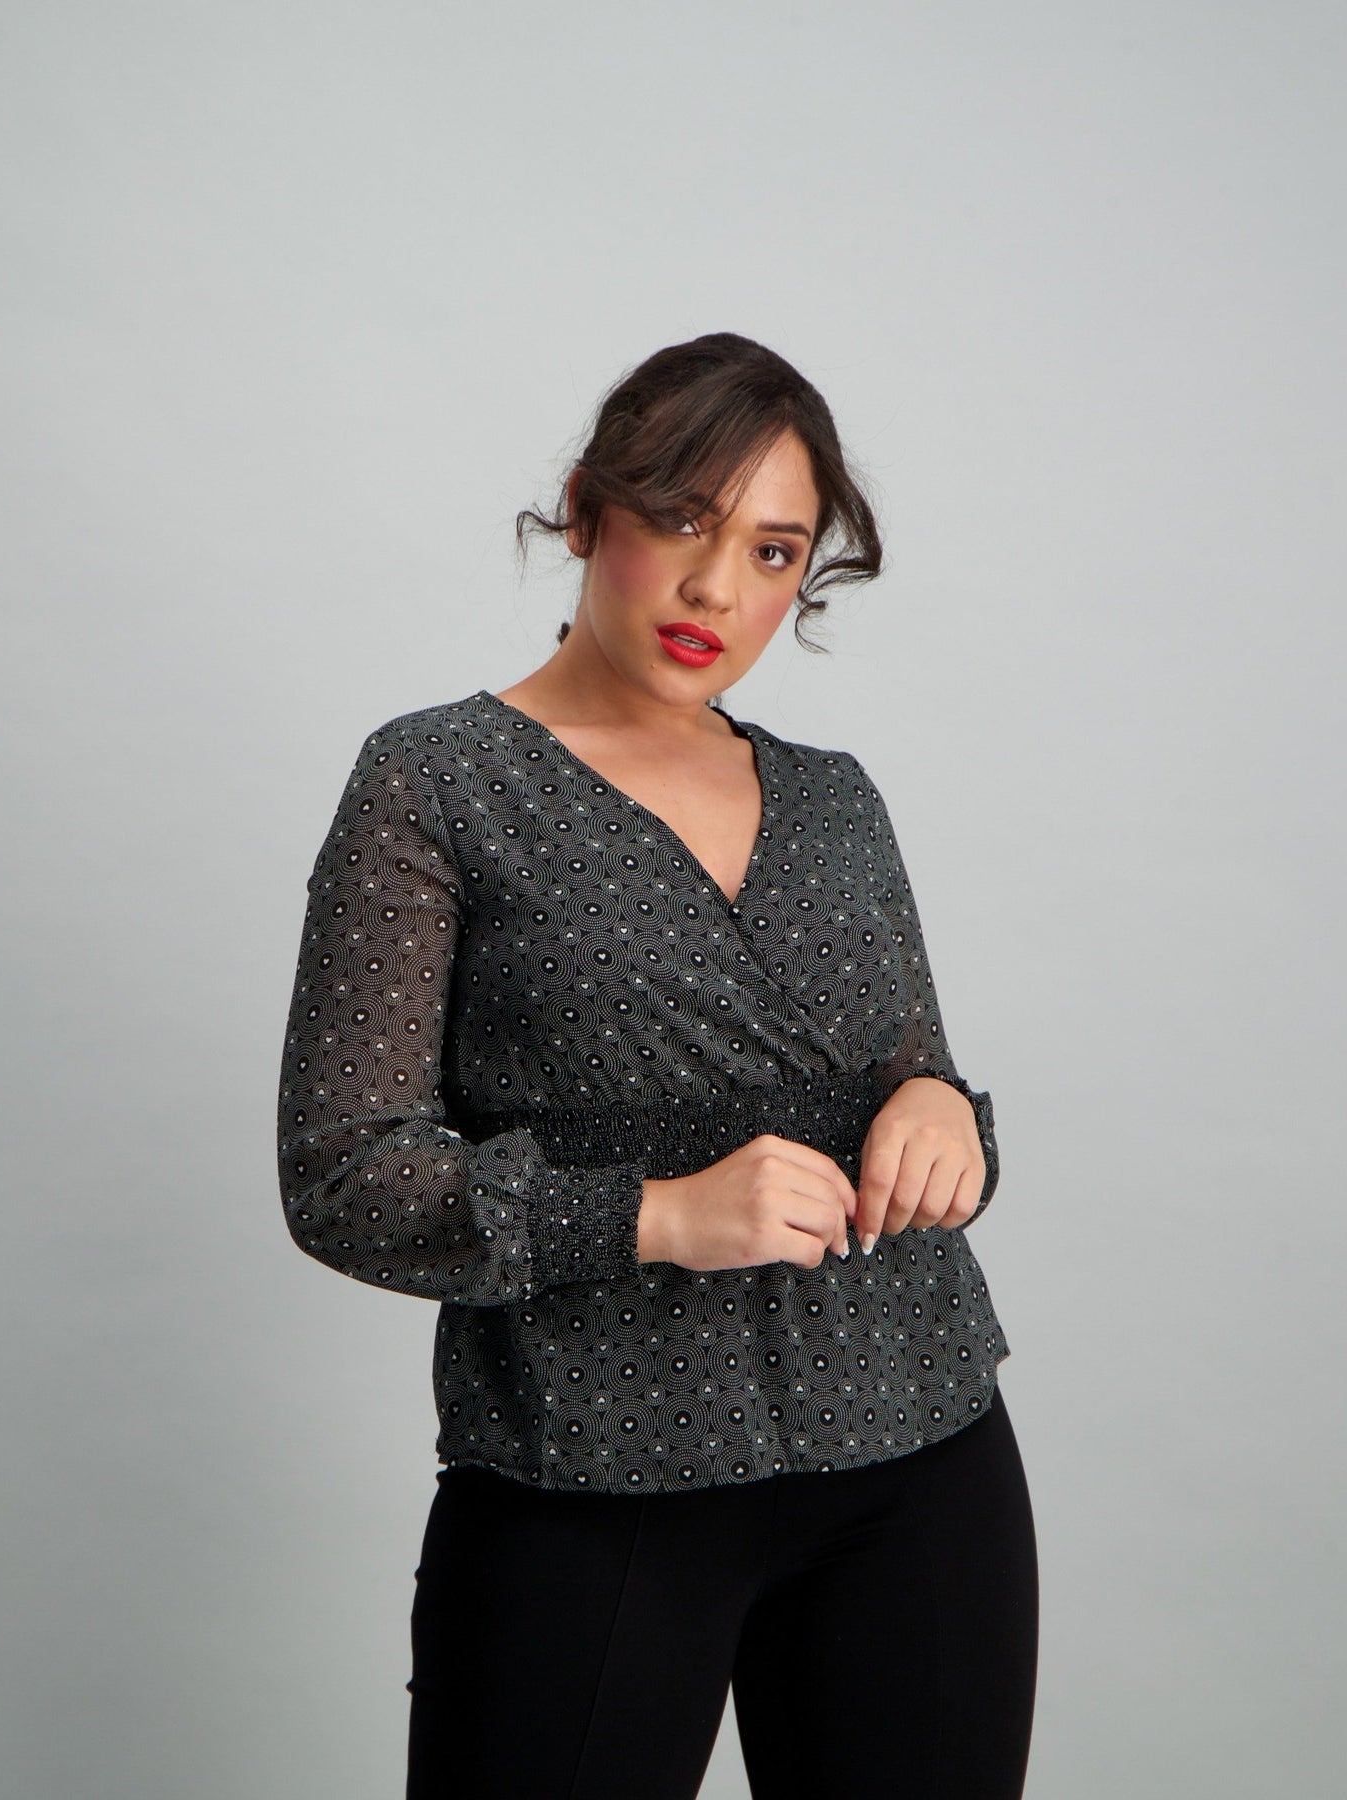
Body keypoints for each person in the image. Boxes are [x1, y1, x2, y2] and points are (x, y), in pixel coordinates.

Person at [276, 331, 1039, 1799]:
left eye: (772, 552)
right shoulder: (434, 783)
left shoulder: (836, 803)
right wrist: (659, 1217)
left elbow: (915, 1071)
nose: (717, 591)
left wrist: (946, 1112)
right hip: (589, 1476)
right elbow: (344, 1175)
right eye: (684, 522)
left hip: (919, 1456)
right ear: (587, 510)